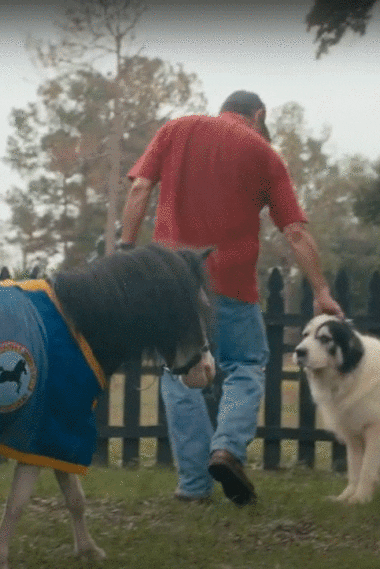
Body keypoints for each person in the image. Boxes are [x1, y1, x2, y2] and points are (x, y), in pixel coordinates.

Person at [119, 90, 344, 506]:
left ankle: (193, 487)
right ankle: (226, 448)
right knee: (245, 365)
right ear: (258, 115)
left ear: (226, 108)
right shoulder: (264, 154)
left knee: (179, 373)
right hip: (231, 285)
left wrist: (126, 254)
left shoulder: (175, 130)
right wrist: (321, 291)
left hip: (173, 282)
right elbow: (294, 232)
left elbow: (139, 190)